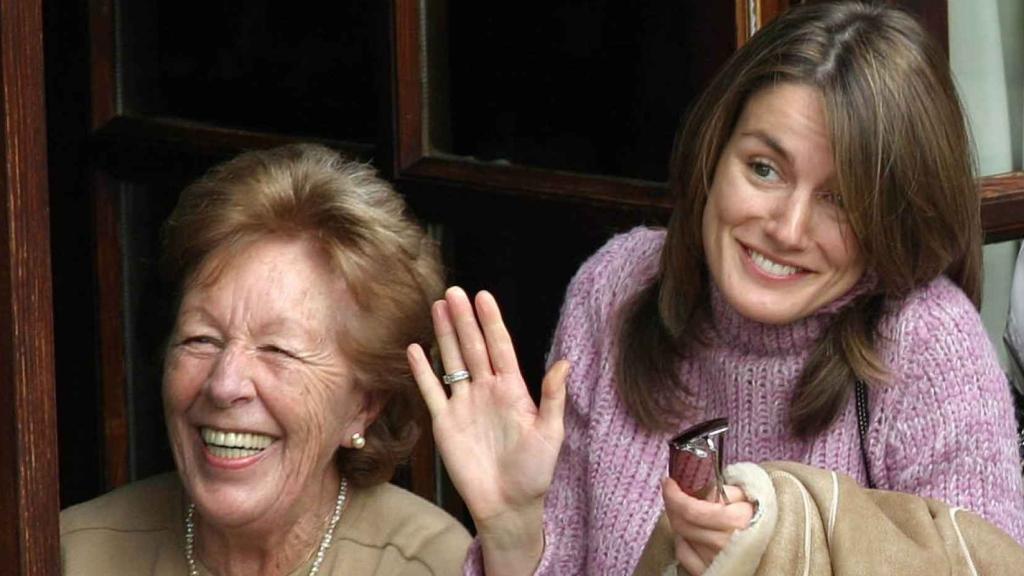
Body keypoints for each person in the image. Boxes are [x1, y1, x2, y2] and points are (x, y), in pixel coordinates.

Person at [406, 3, 1024, 575]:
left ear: (894, 215)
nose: (786, 229)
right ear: (714, 151)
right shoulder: (617, 290)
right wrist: (514, 529)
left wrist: (781, 549)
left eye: (841, 199)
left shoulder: (927, 342)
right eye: (764, 168)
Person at [61, 144, 471, 575]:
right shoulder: (70, 554)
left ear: (364, 405)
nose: (225, 385)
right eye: (202, 339)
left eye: (278, 349)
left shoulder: (432, 565)